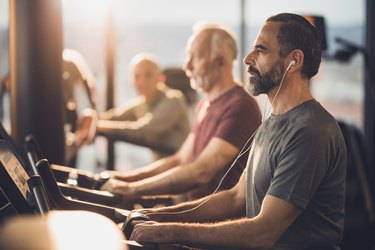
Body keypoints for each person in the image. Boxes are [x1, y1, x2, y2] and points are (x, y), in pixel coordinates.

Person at [128, 13, 347, 249]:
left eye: (261, 51)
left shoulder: (310, 131)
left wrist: (168, 232)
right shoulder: (272, 121)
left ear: (294, 61)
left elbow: (263, 232)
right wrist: (158, 217)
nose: (247, 59)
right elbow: (237, 197)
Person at [100, 24, 262, 201]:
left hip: (218, 221)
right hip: (192, 209)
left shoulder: (240, 107)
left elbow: (201, 171)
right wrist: (125, 179)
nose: (187, 66)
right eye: (188, 57)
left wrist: (132, 189)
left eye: (196, 57)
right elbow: (180, 160)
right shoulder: (205, 104)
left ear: (221, 61)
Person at [76, 53, 191, 159]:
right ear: (132, 81)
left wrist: (98, 126)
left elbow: (145, 130)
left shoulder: (174, 99)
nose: (142, 81)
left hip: (182, 167)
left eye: (148, 75)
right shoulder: (141, 103)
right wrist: (90, 117)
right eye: (137, 76)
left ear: (160, 78)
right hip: (163, 167)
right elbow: (113, 117)